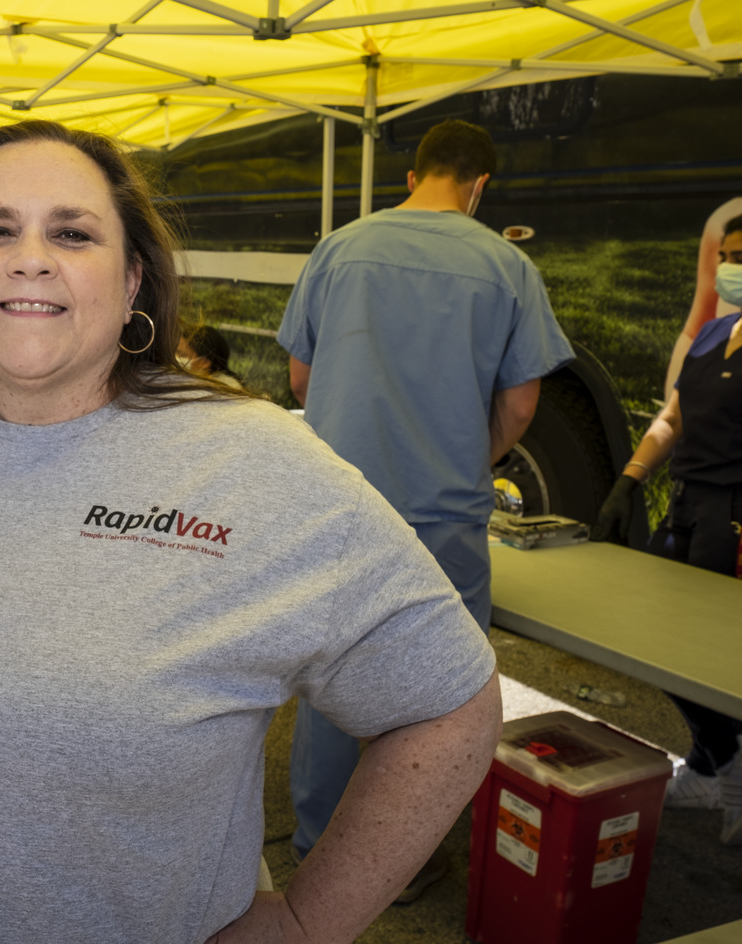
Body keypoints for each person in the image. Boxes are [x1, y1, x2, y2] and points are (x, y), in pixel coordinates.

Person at [0, 119, 502, 944]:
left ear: (134, 278)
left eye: (72, 233)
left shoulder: (255, 465)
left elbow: (450, 706)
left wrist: (305, 925)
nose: (30, 255)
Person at [276, 117, 572, 897]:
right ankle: (401, 861)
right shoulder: (507, 265)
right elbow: (521, 402)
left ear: (412, 178)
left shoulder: (341, 248)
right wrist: (469, 458)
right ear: (480, 186)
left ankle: (317, 843)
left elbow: (302, 383)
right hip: (444, 511)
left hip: (340, 507)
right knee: (436, 691)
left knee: (335, 671)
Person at [594, 213, 742, 845]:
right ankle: (717, 759)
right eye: (729, 254)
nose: (733, 267)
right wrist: (630, 480)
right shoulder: (713, 334)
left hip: (734, 519)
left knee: (725, 655)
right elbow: (672, 416)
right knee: (653, 641)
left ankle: (725, 773)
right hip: (685, 508)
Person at [665, 197, 742, 393]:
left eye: (739, 259)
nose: (725, 269)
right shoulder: (712, 331)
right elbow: (693, 331)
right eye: (722, 258)